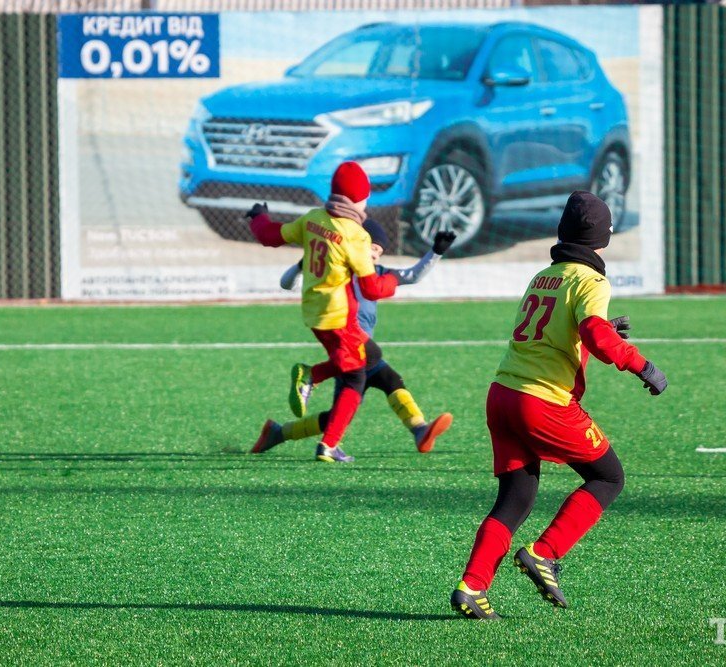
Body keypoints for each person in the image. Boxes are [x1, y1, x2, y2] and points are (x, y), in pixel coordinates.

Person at [449, 191, 668, 620]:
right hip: (542, 401)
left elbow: (559, 331)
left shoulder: (544, 275)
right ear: (603, 237)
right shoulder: (592, 280)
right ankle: (544, 553)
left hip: (503, 394)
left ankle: (471, 586)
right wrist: (642, 365)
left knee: (516, 497)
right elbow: (596, 338)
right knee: (608, 477)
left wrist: (603, 328)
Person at [252, 220, 457, 458]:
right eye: (373, 248)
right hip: (348, 348)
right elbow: (286, 283)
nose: (376, 255)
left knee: (383, 384)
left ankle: (420, 430)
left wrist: (436, 252)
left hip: (363, 351)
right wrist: (301, 265)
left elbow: (412, 275)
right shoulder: (338, 271)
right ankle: (289, 429)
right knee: (350, 407)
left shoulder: (378, 273)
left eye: (380, 251)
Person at [247, 161, 398, 463]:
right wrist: (392, 280)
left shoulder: (313, 218)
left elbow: (270, 236)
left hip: (314, 312)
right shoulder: (356, 235)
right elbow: (371, 289)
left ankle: (312, 376)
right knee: (355, 379)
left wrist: (258, 217)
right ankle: (328, 445)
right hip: (339, 317)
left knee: (372, 355)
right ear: (359, 199)